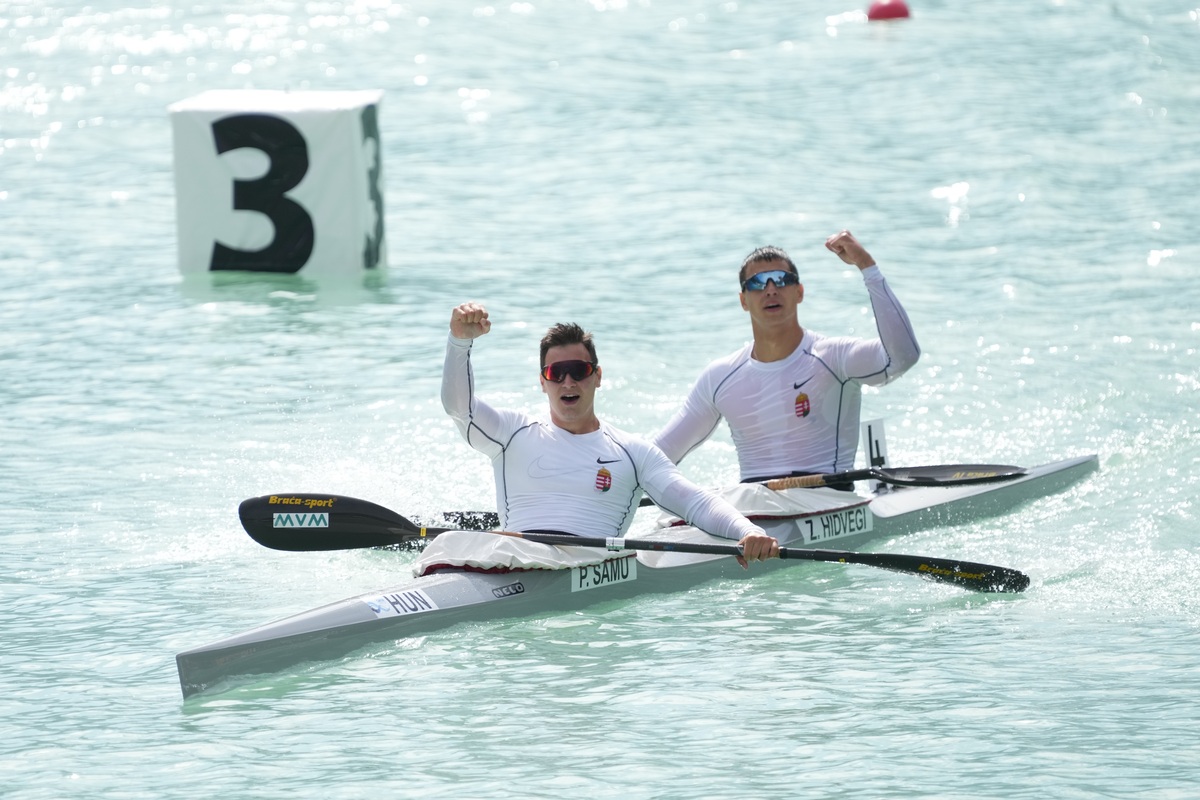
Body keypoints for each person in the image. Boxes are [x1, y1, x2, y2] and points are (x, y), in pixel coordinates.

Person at [442, 301, 779, 567]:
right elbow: (460, 407)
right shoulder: (512, 432)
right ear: (542, 382)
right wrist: (459, 341)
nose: (568, 382)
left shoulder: (633, 452)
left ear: (598, 376)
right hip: (511, 557)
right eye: (556, 373)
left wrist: (747, 531)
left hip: (588, 564)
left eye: (579, 371)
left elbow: (693, 501)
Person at [653, 231, 920, 486]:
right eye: (757, 283)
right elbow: (659, 454)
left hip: (827, 498)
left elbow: (902, 357)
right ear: (743, 300)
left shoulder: (834, 358)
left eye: (781, 279)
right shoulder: (719, 377)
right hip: (752, 508)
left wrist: (867, 267)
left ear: (799, 292)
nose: (770, 289)